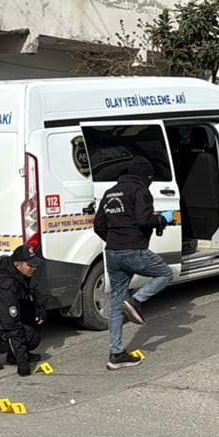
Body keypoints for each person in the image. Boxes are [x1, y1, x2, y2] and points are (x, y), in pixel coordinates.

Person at [93, 155, 173, 370]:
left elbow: (98, 224)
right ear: (146, 176)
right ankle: (136, 301)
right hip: (133, 249)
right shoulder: (140, 190)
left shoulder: (110, 193)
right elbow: (143, 220)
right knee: (165, 273)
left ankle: (116, 354)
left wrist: (114, 240)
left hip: (112, 251)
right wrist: (163, 218)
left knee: (116, 303)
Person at [0, 245, 48, 376]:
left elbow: (29, 291)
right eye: (30, 265)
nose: (34, 269)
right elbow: (13, 327)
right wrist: (23, 363)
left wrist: (39, 308)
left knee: (29, 318)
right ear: (17, 265)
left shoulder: (15, 272)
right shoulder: (6, 287)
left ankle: (12, 355)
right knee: (30, 338)